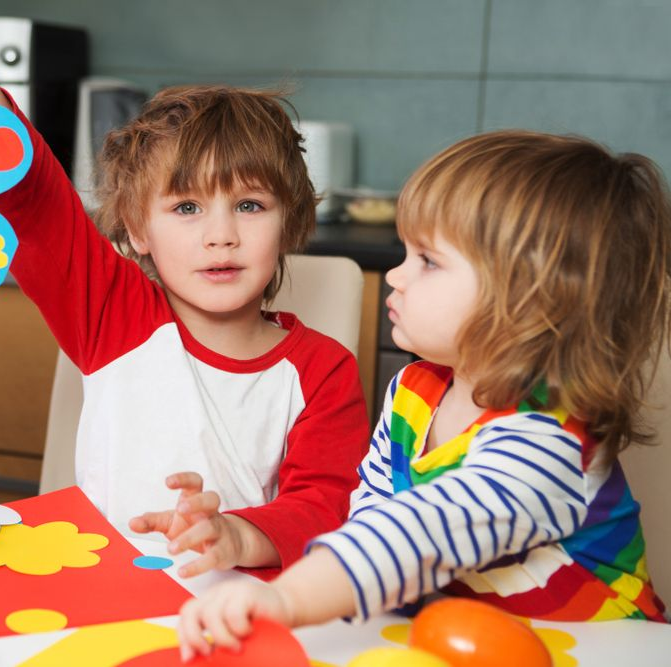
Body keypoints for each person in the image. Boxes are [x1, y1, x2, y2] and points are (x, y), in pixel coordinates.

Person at [176, 129, 671, 659]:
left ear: (531, 300)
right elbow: (373, 512)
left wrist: (289, 598)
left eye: (428, 261)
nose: (396, 275)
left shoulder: (547, 438)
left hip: (597, 649)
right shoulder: (415, 391)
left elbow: (423, 532)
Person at [0, 85, 369, 577]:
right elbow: (36, 204)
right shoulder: (112, 315)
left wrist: (238, 535)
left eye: (250, 205)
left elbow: (326, 509)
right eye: (187, 208)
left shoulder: (323, 369)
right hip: (104, 598)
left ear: (289, 220)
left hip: (234, 613)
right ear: (137, 229)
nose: (221, 235)